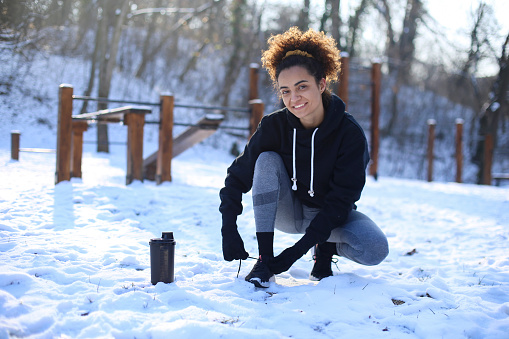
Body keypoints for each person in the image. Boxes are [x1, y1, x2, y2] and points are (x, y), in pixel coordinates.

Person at [219, 27, 389, 288]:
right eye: (285, 90)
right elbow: (237, 177)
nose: (294, 98)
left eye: (302, 87)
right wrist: (228, 228)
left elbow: (342, 200)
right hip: (289, 212)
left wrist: (296, 251)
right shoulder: (274, 126)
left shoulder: (349, 134)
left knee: (375, 249)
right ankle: (264, 260)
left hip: (332, 218)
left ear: (321, 84)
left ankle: (325, 249)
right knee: (265, 159)